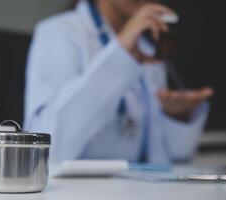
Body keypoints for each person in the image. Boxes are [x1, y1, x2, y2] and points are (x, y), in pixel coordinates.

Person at [24, 0, 213, 164]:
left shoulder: (147, 48)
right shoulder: (60, 33)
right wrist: (120, 52)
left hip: (137, 188)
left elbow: (168, 159)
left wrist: (176, 117)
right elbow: (46, 146)